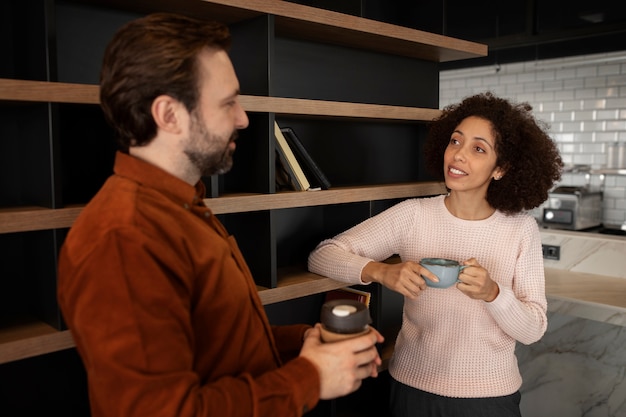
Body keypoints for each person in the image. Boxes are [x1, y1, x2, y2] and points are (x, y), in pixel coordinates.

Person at [57, 13, 383, 417]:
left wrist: (306, 344)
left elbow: (220, 343)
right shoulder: (124, 238)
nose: (243, 118)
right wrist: (310, 378)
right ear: (169, 114)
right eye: (228, 102)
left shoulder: (180, 206)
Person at [308, 92, 563, 417]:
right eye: (455, 142)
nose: (458, 155)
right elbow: (322, 255)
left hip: (489, 400)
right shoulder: (413, 215)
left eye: (478, 148)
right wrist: (381, 272)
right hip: (412, 392)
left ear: (500, 168)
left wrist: (493, 293)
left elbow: (533, 328)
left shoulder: (520, 230)